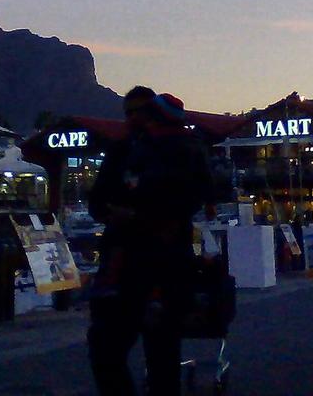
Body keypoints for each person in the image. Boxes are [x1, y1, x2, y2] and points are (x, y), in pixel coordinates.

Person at [87, 88, 213, 396]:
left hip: (165, 265)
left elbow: (194, 198)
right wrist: (112, 213)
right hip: (123, 264)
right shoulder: (120, 151)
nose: (134, 118)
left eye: (141, 111)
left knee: (163, 355)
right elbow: (96, 202)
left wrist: (141, 215)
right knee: (105, 348)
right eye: (128, 112)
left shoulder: (185, 149)